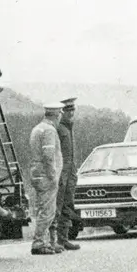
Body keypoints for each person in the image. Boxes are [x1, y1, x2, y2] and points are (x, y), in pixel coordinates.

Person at [28, 103, 65, 255]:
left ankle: (49, 241)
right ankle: (39, 242)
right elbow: (48, 156)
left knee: (43, 207)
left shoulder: (37, 128)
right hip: (46, 174)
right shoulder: (49, 131)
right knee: (47, 210)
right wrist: (53, 175)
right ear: (57, 115)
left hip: (36, 172)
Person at [54, 97, 81, 250]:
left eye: (73, 110)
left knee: (68, 205)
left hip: (70, 172)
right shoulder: (59, 129)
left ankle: (63, 238)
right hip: (61, 173)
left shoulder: (69, 128)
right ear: (61, 112)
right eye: (68, 110)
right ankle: (54, 239)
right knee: (57, 205)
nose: (71, 113)